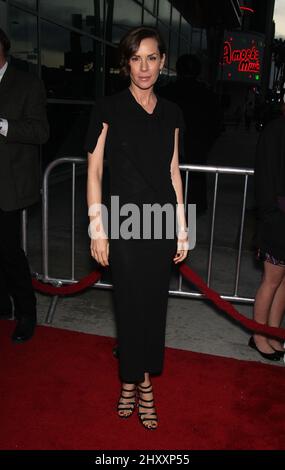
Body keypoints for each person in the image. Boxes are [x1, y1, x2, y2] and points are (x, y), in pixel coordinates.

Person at [85, 26, 189, 430]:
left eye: (151, 57)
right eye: (135, 58)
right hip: (124, 221)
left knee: (154, 308)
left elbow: (173, 172)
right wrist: (97, 228)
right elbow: (94, 172)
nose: (144, 67)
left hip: (160, 221)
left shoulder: (174, 113)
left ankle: (135, 380)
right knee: (129, 309)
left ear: (163, 61)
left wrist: (182, 228)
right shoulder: (107, 108)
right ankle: (138, 383)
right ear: (125, 63)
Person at [0, 29, 49, 342]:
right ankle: (2, 304)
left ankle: (27, 312)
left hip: (9, 184)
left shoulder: (27, 84)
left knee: (8, 252)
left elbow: (41, 131)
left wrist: (2, 124)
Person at [158, 54, 222, 217]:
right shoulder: (207, 95)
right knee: (191, 197)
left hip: (170, 151)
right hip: (195, 152)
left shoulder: (166, 93)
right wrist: (204, 145)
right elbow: (216, 126)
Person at [250, 113, 285, 361]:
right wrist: (270, 215)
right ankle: (259, 335)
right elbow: (264, 174)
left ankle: (273, 332)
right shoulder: (275, 129)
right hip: (277, 218)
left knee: (284, 282)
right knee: (272, 280)